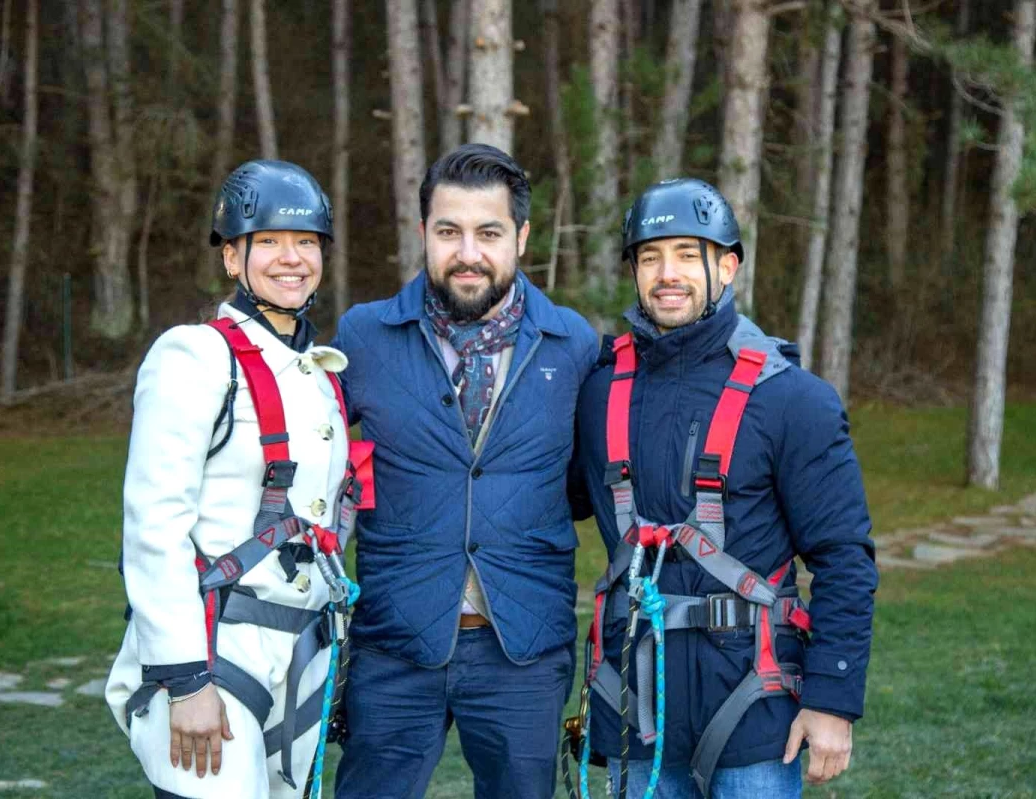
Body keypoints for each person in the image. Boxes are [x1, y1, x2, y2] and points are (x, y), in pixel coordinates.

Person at [568, 178, 877, 799]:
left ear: (728, 265)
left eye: (688, 253)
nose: (666, 274)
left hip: (754, 710)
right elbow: (552, 500)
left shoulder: (791, 399)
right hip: (635, 708)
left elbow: (845, 558)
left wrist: (833, 699)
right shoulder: (598, 393)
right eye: (650, 257)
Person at [331, 143, 599, 799]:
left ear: (522, 237)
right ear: (423, 232)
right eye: (449, 231)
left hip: (524, 649)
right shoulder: (363, 336)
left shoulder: (575, 345)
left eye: (489, 232)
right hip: (395, 641)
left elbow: (584, 486)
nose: (468, 252)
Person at [105, 159, 366, 799]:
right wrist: (185, 678)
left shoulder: (321, 373)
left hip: (301, 652)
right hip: (216, 651)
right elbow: (153, 524)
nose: (292, 258)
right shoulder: (194, 356)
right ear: (231, 257)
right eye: (269, 241)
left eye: (306, 242)